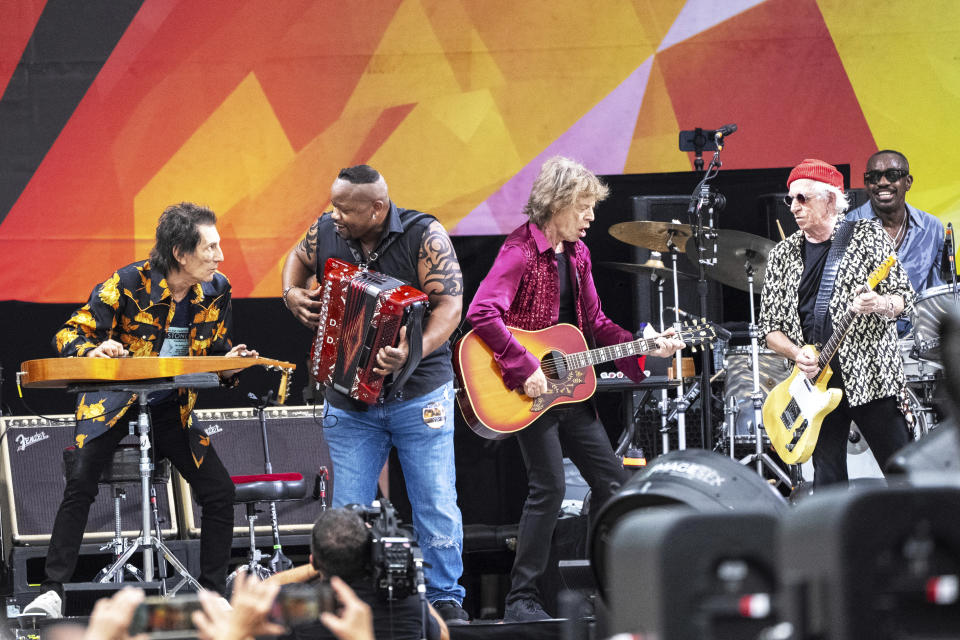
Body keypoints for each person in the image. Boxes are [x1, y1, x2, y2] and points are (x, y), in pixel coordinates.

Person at [465, 156, 685, 621]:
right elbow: (482, 312)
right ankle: (522, 599)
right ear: (559, 204)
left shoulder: (578, 255)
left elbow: (598, 325)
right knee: (549, 486)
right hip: (526, 389)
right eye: (584, 207)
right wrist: (523, 366)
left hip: (568, 391)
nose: (590, 218)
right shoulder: (520, 250)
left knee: (614, 485)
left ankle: (623, 590)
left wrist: (647, 348)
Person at [23, 203, 254, 619]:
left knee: (220, 491)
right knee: (80, 484)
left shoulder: (217, 289)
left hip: (171, 407)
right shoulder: (126, 283)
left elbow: (215, 350)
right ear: (181, 253)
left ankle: (214, 594)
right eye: (211, 248)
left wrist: (231, 361)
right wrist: (94, 349)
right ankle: (52, 591)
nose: (220, 257)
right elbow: (68, 334)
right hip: (113, 400)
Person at [281, 165, 467, 624]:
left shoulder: (425, 235)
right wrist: (290, 292)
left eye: (345, 208)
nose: (335, 215)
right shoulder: (327, 230)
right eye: (333, 205)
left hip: (419, 395)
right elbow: (297, 257)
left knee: (435, 503)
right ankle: (347, 598)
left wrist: (411, 351)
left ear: (377, 208)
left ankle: (445, 599)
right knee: (346, 514)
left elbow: (451, 305)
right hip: (349, 401)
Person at [760, 159, 914, 486]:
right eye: (791, 199)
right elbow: (768, 330)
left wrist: (880, 303)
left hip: (871, 375)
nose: (794, 207)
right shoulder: (782, 254)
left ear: (830, 200)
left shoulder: (866, 236)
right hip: (815, 383)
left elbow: (903, 297)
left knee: (902, 470)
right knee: (827, 480)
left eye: (804, 198)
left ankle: (923, 532)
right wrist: (795, 352)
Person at [267, 508, 447, 640]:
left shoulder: (303, 603)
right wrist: (415, 580)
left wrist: (316, 565)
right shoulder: (404, 600)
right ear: (369, 553)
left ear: (313, 560)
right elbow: (443, 636)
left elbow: (263, 591)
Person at [847, 149, 945, 336]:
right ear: (867, 184)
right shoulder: (849, 227)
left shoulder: (932, 227)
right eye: (874, 177)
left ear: (907, 182)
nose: (882, 182)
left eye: (892, 175)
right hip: (869, 338)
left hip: (919, 336)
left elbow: (937, 291)